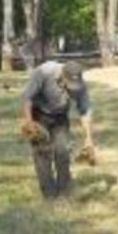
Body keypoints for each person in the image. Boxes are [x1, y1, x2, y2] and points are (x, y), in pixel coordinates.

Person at [21, 60, 97, 199]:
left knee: (63, 152)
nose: (72, 89)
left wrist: (89, 138)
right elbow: (27, 97)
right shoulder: (44, 72)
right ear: (62, 77)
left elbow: (85, 111)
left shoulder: (81, 86)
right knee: (42, 153)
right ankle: (49, 195)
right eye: (70, 85)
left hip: (60, 116)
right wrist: (29, 122)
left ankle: (65, 193)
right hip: (38, 114)